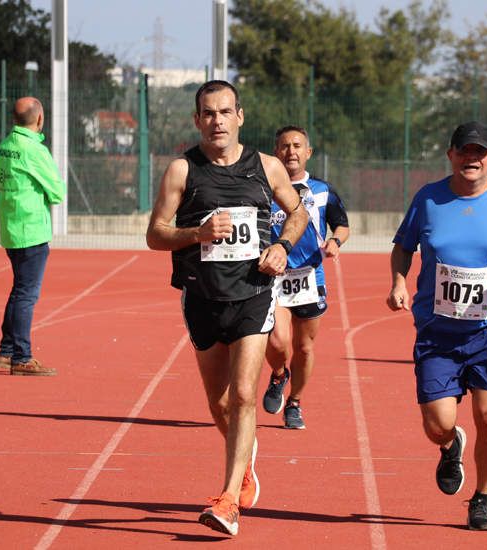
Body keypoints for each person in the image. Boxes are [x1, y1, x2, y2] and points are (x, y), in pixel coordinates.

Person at [145, 80, 308, 537]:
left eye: (225, 112)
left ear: (240, 116)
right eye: (208, 113)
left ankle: (229, 498)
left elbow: (298, 213)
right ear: (198, 120)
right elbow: (155, 234)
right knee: (218, 402)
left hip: (254, 293)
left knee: (242, 396)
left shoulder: (267, 166)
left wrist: (282, 245)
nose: (217, 121)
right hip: (201, 297)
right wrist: (196, 234)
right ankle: (246, 461)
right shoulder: (182, 170)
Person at [387, 121, 487, 531]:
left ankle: (482, 500)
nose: (472, 158)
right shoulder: (429, 199)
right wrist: (399, 281)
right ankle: (450, 443)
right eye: (464, 151)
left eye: (480, 152)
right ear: (451, 154)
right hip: (438, 330)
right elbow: (403, 247)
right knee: (437, 424)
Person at [262, 125, 350, 429]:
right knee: (277, 339)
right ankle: (278, 374)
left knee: (304, 348)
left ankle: (295, 402)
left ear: (308, 152)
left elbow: (342, 225)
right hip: (274, 277)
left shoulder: (324, 191)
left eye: (297, 146)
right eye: (285, 146)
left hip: (310, 278)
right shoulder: (264, 189)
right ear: (276, 152)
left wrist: (335, 242)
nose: (291, 151)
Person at [0, 97, 66, 376]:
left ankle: (6, 350)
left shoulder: (6, 145)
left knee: (18, 290)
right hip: (31, 228)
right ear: (39, 119)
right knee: (26, 295)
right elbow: (57, 192)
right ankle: (22, 356)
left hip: (11, 227)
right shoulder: (34, 149)